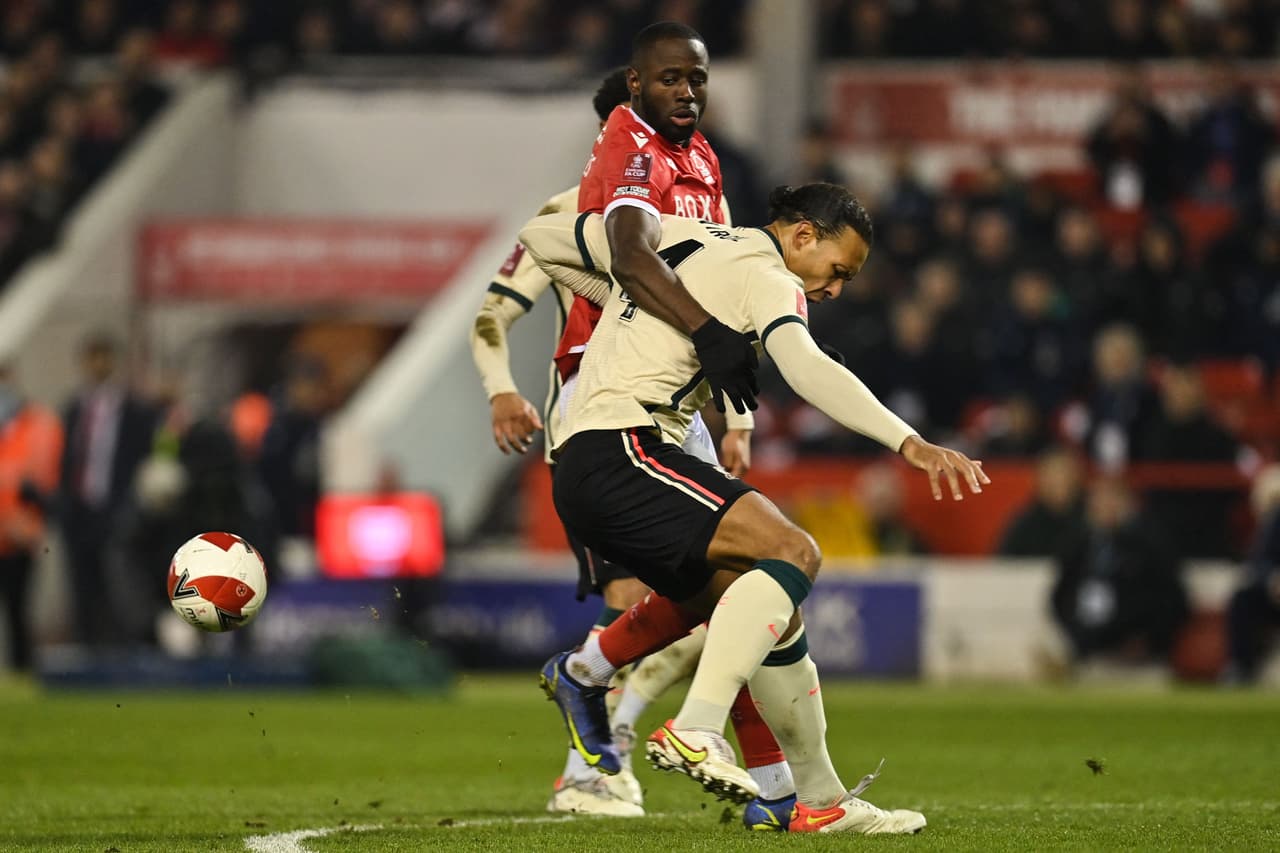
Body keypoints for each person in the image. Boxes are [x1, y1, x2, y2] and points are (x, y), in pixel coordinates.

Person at [523, 183, 988, 833]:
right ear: (803, 236)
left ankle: (816, 798)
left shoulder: (677, 237)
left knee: (766, 603)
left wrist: (631, 288)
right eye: (837, 270)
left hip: (585, 461)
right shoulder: (769, 275)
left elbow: (541, 238)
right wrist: (908, 441)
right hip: (626, 448)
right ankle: (697, 725)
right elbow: (807, 367)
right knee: (793, 551)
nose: (835, 290)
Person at [470, 64, 779, 821]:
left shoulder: (699, 201)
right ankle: (591, 768)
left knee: (732, 592)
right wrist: (502, 389)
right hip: (597, 416)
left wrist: (735, 421)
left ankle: (729, 768)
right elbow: (491, 315)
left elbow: (725, 315)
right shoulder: (573, 210)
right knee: (636, 596)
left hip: (677, 414)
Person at [57, 333, 156, 647]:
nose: (97, 365)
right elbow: (68, 459)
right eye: (92, 358)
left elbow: (142, 459)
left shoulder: (134, 410)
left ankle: (121, 649)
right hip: (80, 511)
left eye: (103, 357)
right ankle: (86, 648)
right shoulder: (74, 408)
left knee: (119, 585)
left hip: (116, 509)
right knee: (82, 586)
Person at [1050, 475, 1190, 668]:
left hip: (1136, 648)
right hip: (1088, 645)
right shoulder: (1080, 546)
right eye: (1098, 501)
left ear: (1128, 504)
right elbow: (1059, 597)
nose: (1105, 507)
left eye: (1112, 499)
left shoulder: (1151, 544)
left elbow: (1174, 600)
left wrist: (1149, 639)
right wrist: (1075, 634)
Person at [0, 363, 62, 675]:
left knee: (18, 608)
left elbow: (47, 485)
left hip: (19, 538)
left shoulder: (37, 426)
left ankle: (21, 670)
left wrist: (29, 523)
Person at [1225, 465, 1280, 683]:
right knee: (1244, 598)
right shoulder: (1275, 522)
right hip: (1275, 594)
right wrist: (1272, 579)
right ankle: (1241, 668)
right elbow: (1259, 562)